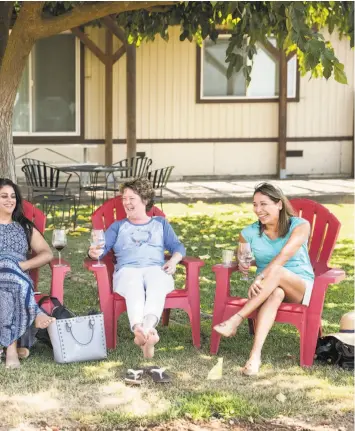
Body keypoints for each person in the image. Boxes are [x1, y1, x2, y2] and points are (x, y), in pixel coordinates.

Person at [214, 183, 314, 376]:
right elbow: (243, 255)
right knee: (276, 292)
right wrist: (242, 261)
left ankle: (236, 319)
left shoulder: (300, 225)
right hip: (267, 289)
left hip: (299, 286)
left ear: (279, 204)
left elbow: (284, 255)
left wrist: (260, 276)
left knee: (277, 271)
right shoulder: (248, 232)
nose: (258, 210)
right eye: (255, 204)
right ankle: (254, 357)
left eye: (264, 204)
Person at [88, 178, 185, 358]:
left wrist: (173, 262)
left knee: (157, 282)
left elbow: (178, 247)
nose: (126, 202)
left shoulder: (160, 223)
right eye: (124, 198)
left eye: (131, 198)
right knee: (134, 285)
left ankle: (145, 331)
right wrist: (94, 253)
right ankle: (140, 329)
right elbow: (100, 250)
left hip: (156, 269)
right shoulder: (118, 226)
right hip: (127, 270)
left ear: (145, 200)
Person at [0, 178, 54, 369]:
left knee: (9, 276)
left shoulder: (24, 226)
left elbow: (47, 253)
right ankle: (13, 348)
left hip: (17, 276)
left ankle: (10, 348)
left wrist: (23, 265)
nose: (10, 200)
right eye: (4, 196)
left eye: (13, 196)